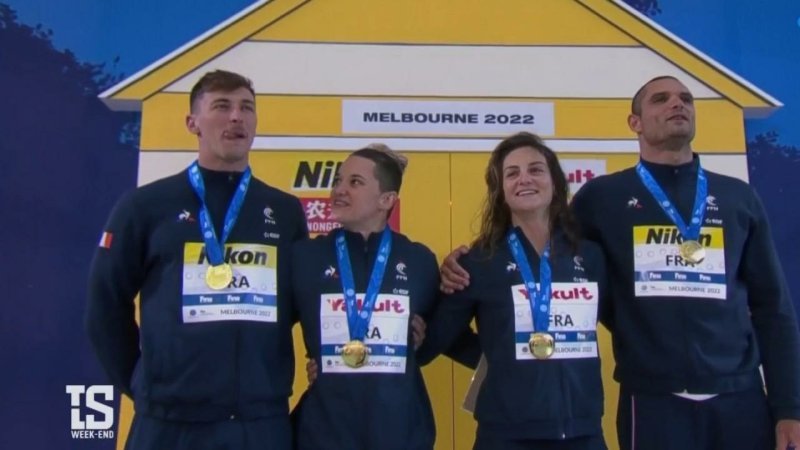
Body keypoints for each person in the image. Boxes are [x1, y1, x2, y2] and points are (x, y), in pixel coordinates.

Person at [443, 76, 800, 450]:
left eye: (685, 99)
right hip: (651, 400)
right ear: (635, 123)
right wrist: (466, 261)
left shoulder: (736, 197)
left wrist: (788, 406)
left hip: (738, 396)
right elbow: (547, 251)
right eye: (661, 99)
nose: (677, 104)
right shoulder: (601, 197)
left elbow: (773, 308)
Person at [86, 70, 308, 450]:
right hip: (169, 425)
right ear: (193, 123)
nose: (236, 116)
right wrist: (144, 385)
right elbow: (105, 306)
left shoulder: (284, 211)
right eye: (222, 106)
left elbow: (303, 300)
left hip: (259, 424)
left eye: (246, 108)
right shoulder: (145, 206)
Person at [420, 132, 608, 450]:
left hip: (583, 432)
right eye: (512, 173)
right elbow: (437, 341)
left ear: (555, 182)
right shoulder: (479, 260)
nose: (524, 179)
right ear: (501, 191)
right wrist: (497, 354)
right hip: (506, 436)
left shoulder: (589, 255)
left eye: (535, 169)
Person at [289, 144, 479, 450]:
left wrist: (509, 363)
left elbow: (448, 337)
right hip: (325, 432)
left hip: (400, 431)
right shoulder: (304, 257)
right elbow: (269, 331)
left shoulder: (417, 260)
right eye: (337, 180)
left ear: (387, 199)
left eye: (355, 182)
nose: (339, 189)